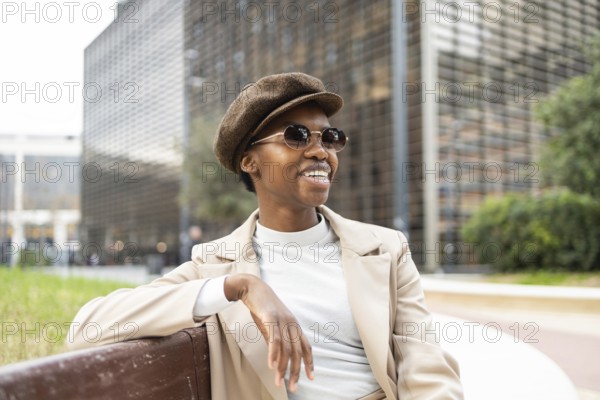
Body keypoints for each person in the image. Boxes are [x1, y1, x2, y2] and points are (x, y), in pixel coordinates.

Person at [68, 72, 464, 400]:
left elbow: (423, 360)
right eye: (296, 136)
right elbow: (86, 329)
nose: (319, 151)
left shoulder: (385, 248)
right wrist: (240, 286)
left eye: (329, 137)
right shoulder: (215, 266)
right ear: (249, 161)